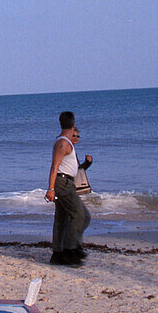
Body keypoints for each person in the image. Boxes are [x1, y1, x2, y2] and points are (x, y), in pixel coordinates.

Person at [46, 111, 93, 267]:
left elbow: (71, 167)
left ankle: (58, 253)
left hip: (66, 182)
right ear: (73, 125)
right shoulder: (63, 144)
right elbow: (54, 167)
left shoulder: (66, 142)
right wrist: (51, 189)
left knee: (62, 218)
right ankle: (70, 250)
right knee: (81, 215)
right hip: (63, 183)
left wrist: (86, 164)